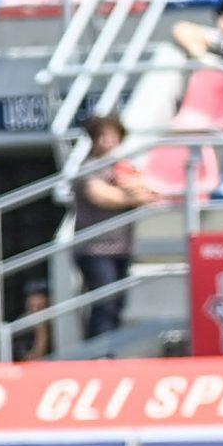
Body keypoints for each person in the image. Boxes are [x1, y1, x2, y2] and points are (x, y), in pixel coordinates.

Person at [73, 113, 155, 341]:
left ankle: (108, 354)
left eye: (112, 135)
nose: (107, 141)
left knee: (117, 305)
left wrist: (133, 191)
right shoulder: (89, 166)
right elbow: (99, 195)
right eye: (102, 136)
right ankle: (97, 357)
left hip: (122, 247)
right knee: (104, 305)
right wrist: (132, 197)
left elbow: (146, 188)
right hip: (95, 249)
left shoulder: (124, 165)